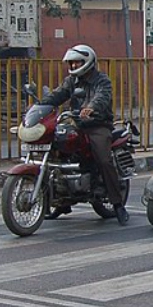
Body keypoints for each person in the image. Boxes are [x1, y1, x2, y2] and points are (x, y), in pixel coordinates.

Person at [41, 44, 128, 225]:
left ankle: (118, 204)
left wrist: (91, 108)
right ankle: (61, 199)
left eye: (76, 63)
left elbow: (102, 97)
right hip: (76, 123)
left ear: (87, 62)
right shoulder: (71, 81)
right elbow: (58, 95)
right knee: (56, 148)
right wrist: (40, 106)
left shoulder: (102, 80)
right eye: (71, 63)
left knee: (103, 159)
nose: (73, 67)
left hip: (97, 125)